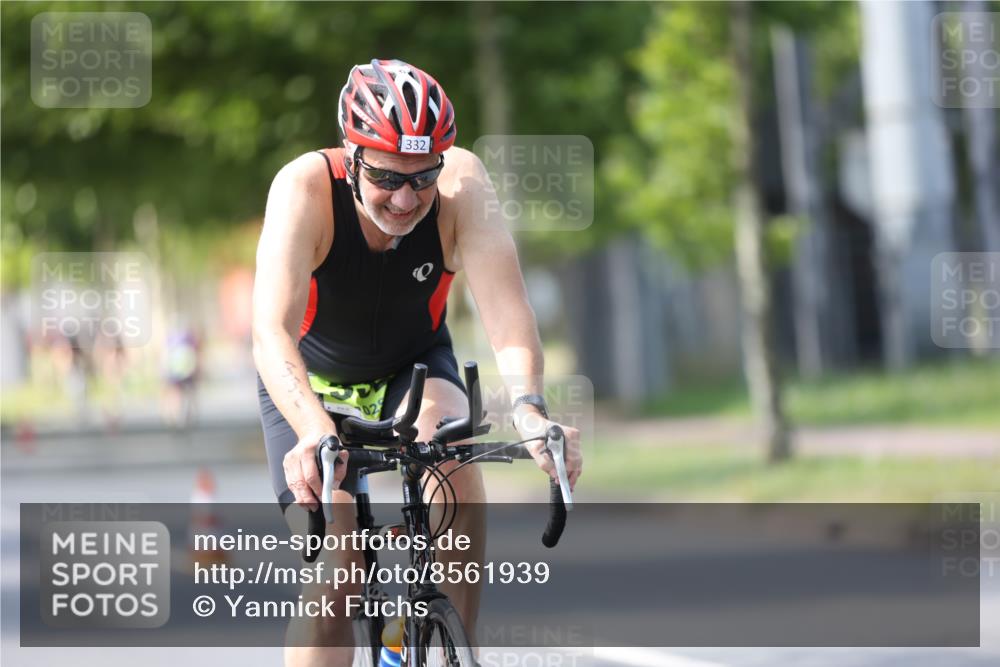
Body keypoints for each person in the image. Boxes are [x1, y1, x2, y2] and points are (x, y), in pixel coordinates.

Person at [253, 58, 583, 667]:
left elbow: (508, 314)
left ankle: (457, 644)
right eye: (385, 176)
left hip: (414, 365)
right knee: (339, 575)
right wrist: (312, 430)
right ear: (350, 156)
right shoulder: (303, 189)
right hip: (307, 382)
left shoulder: (462, 186)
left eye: (421, 176)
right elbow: (270, 331)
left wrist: (532, 410)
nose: (406, 198)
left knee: (452, 450)